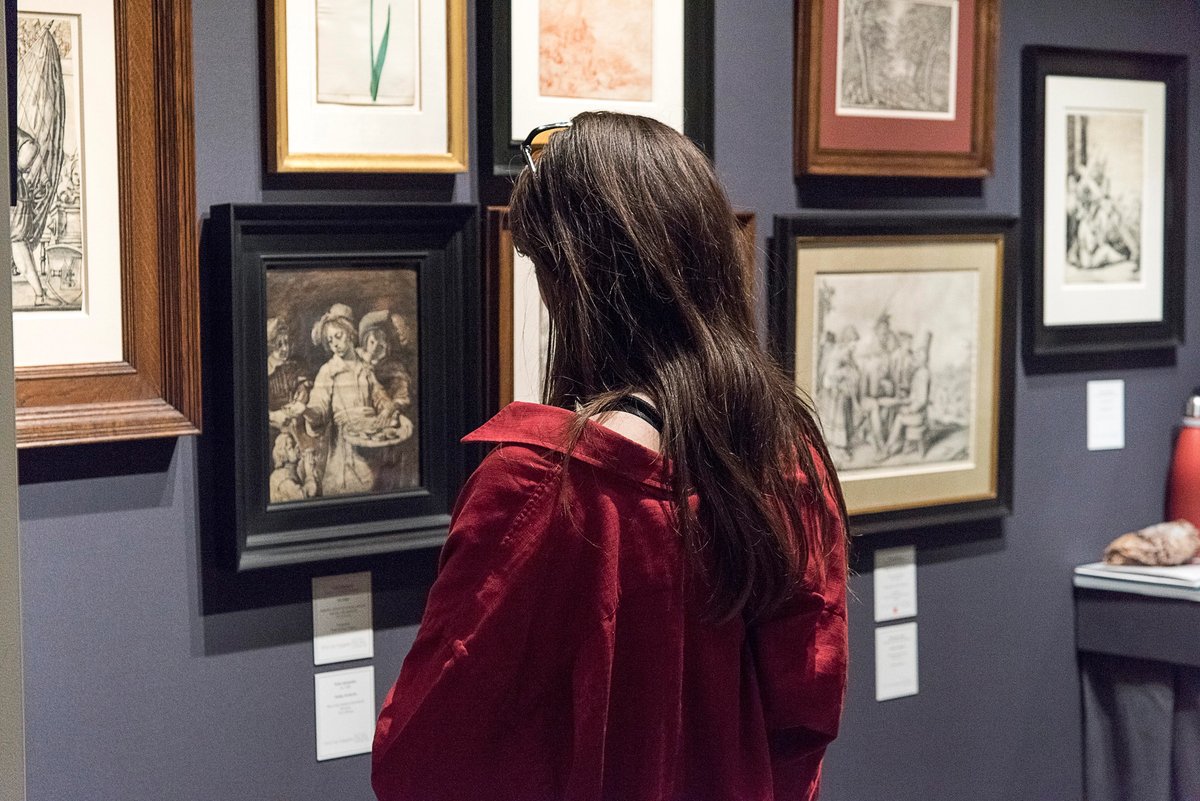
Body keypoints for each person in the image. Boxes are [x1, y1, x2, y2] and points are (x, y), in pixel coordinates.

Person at [372, 112, 849, 801]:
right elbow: (807, 709)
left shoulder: (543, 486)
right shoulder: (787, 458)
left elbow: (424, 759)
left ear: (572, 282)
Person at [300, 304, 396, 496]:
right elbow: (318, 408)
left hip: (371, 441)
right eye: (330, 340)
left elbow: (379, 396)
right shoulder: (328, 372)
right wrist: (305, 410)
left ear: (350, 333)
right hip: (344, 448)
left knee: (379, 490)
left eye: (338, 336)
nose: (335, 343)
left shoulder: (366, 366)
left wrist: (386, 409)